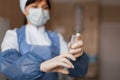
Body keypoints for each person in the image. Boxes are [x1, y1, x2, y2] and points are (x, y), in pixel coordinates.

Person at [0, 0, 89, 80]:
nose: (41, 11)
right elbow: (8, 65)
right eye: (35, 7)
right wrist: (40, 66)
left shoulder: (56, 37)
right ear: (25, 10)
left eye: (45, 7)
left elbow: (75, 69)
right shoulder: (13, 35)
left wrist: (76, 55)